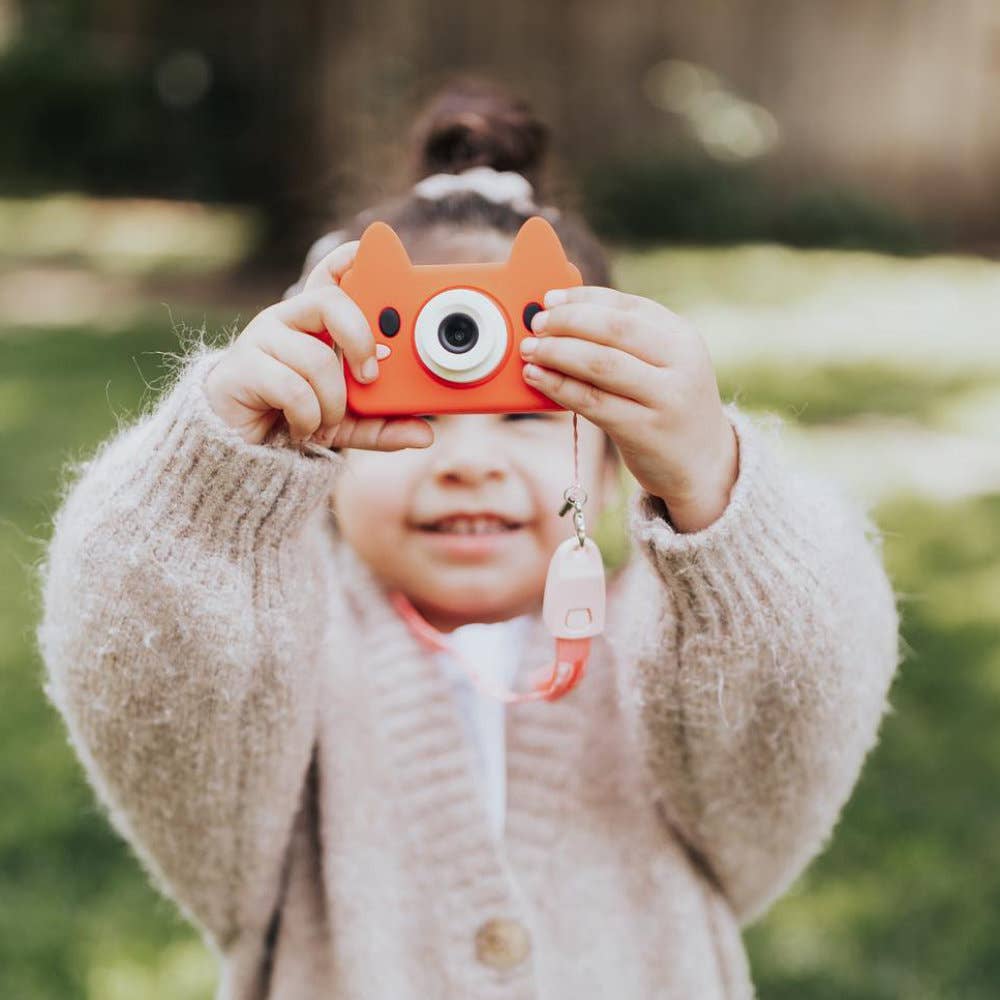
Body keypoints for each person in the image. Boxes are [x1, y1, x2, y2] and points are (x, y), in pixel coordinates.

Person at [35, 75, 900, 999]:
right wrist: (213, 482)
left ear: (615, 462)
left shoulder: (681, 656)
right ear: (320, 456)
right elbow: (145, 671)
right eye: (413, 417)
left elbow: (800, 701)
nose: (468, 461)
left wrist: (716, 490)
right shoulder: (277, 664)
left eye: (525, 417)